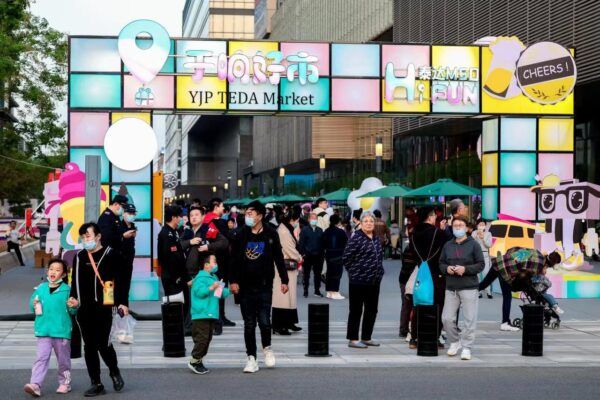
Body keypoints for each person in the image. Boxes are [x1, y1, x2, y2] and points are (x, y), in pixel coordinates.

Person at [229, 201, 289, 373]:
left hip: (264, 285)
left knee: (264, 321)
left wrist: (284, 280)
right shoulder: (241, 234)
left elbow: (278, 257)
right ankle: (251, 358)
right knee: (249, 324)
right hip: (245, 286)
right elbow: (233, 260)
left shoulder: (271, 234)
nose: (248, 216)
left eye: (251, 213)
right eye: (246, 213)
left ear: (260, 216)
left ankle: (267, 348)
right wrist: (233, 281)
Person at [71, 223, 128, 396]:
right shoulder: (80, 256)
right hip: (84, 308)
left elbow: (122, 281)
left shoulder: (112, 255)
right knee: (89, 346)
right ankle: (96, 383)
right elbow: (75, 281)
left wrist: (122, 302)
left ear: (98, 236)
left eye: (88, 236)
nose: (85, 240)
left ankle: (114, 371)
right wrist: (73, 298)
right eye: (82, 237)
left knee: (103, 344)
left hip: (105, 307)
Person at [24, 259, 79, 397]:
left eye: (58, 269)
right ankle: (35, 384)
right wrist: (34, 302)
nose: (53, 272)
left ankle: (65, 383)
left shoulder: (67, 290)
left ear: (64, 274)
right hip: (43, 330)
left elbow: (73, 311)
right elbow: (32, 307)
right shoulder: (41, 288)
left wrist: (74, 306)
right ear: (47, 271)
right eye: (51, 269)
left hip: (61, 331)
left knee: (63, 360)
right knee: (41, 358)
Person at [439, 216, 485, 361]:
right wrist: (448, 269)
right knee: (446, 318)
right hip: (451, 287)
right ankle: (454, 341)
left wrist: (465, 269)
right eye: (455, 225)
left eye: (461, 225)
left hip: (469, 286)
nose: (458, 227)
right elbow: (441, 263)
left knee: (469, 319)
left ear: (466, 228)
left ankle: (467, 347)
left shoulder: (474, 245)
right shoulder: (448, 245)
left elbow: (480, 264)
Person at [407, 207, 447, 350]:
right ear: (430, 217)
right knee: (437, 305)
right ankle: (434, 337)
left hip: (420, 273)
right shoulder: (438, 233)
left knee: (419, 304)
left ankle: (414, 338)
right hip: (436, 275)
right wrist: (443, 230)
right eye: (435, 216)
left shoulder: (413, 233)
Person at [343, 212, 384, 349]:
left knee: (372, 310)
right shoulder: (356, 238)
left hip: (374, 281)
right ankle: (353, 339)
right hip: (358, 281)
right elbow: (346, 258)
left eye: (371, 221)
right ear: (360, 223)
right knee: (356, 310)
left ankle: (366, 337)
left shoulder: (376, 238)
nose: (369, 223)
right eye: (365, 221)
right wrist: (355, 272)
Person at [188, 254, 231, 375]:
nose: (216, 264)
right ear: (206, 265)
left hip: (211, 314)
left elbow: (220, 293)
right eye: (214, 261)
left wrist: (230, 291)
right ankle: (194, 361)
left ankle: (198, 361)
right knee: (202, 339)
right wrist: (211, 287)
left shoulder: (214, 277)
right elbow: (199, 292)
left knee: (207, 339)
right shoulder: (200, 278)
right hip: (201, 314)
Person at [158, 205, 192, 335]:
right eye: (179, 217)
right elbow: (171, 260)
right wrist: (180, 278)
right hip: (174, 279)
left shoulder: (173, 232)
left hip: (177, 277)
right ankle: (174, 335)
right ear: (173, 217)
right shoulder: (167, 234)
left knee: (182, 306)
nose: (181, 220)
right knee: (175, 308)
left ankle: (178, 332)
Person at [204, 198, 236, 334]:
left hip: (221, 260)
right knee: (218, 287)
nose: (223, 209)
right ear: (216, 206)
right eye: (222, 206)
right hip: (218, 260)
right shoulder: (213, 221)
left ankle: (221, 316)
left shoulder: (214, 221)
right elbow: (225, 239)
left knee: (221, 286)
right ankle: (218, 318)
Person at [272, 208, 303, 335]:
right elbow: (289, 249)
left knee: (289, 296)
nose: (297, 223)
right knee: (282, 297)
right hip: (283, 266)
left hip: (288, 266)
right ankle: (279, 325)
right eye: (297, 220)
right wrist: (300, 257)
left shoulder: (285, 228)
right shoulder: (284, 231)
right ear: (292, 220)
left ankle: (289, 322)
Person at [299, 212, 325, 297]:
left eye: (315, 219)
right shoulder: (304, 230)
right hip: (307, 256)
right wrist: (302, 254)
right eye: (312, 218)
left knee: (317, 274)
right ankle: (305, 290)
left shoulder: (320, 230)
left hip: (318, 256)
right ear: (309, 219)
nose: (314, 220)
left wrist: (322, 254)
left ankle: (317, 290)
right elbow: (301, 243)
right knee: (306, 274)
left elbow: (322, 243)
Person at [322, 214, 348, 299]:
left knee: (329, 273)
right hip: (338, 255)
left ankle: (329, 291)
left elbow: (323, 243)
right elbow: (346, 243)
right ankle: (335, 292)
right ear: (338, 222)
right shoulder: (341, 232)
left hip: (328, 254)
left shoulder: (326, 231)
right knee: (337, 274)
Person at [472, 219, 493, 299]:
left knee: (486, 274)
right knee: (477, 274)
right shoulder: (474, 233)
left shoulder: (488, 233)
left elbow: (489, 245)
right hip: (476, 255)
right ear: (477, 225)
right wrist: (476, 236)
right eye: (480, 224)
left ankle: (488, 292)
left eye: (483, 224)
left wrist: (483, 238)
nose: (481, 226)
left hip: (485, 254)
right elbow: (471, 243)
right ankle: (479, 292)